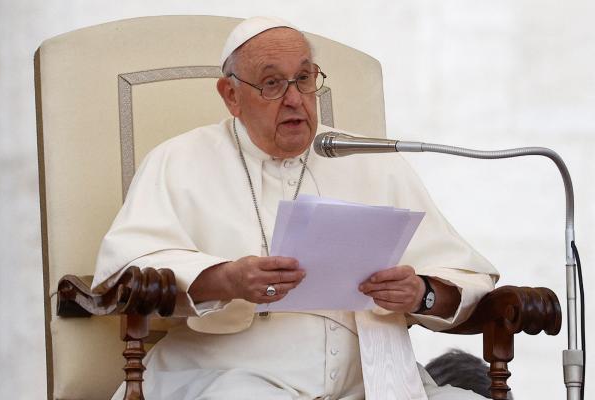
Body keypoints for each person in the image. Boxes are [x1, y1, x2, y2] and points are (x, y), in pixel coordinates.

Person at [92, 16, 499, 400]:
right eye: (272, 83)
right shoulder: (177, 161)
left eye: (304, 80)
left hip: (373, 379)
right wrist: (227, 279)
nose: (294, 100)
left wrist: (420, 294)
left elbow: (464, 276)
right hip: (232, 372)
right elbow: (126, 271)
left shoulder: (371, 159)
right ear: (231, 95)